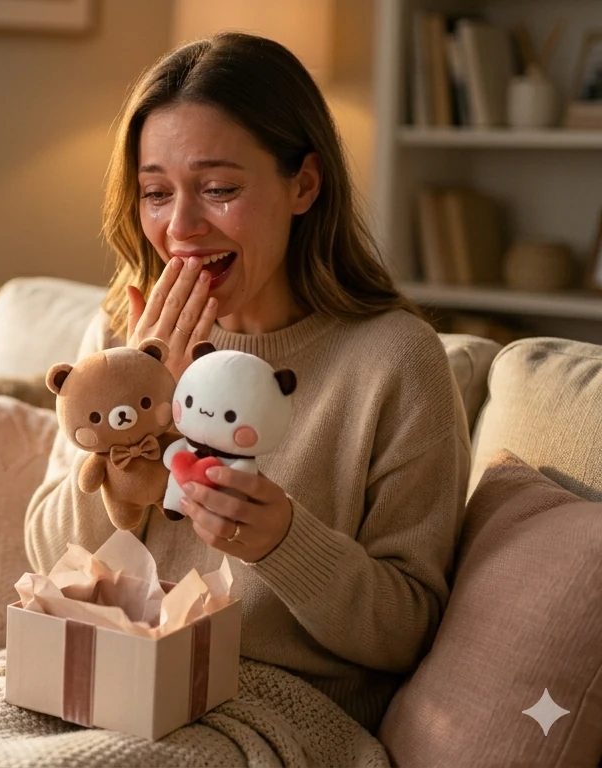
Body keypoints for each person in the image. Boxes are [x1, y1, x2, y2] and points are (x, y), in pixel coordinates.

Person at [24, 32, 471, 734]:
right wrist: (142, 404)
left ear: (304, 184)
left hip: (265, 711)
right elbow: (49, 560)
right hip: (97, 677)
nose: (180, 226)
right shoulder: (120, 338)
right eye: (155, 193)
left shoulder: (395, 360)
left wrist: (284, 541)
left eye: (219, 189)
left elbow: (407, 629)